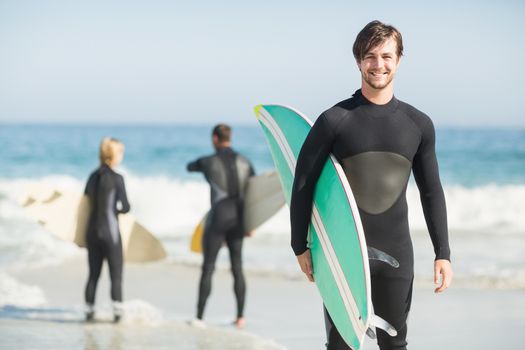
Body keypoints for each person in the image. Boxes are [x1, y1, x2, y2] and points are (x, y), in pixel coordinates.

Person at [290, 20, 453, 349]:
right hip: (344, 251)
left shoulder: (417, 125)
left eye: (386, 56)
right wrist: (300, 245)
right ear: (358, 61)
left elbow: (431, 191)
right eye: (370, 56)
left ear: (399, 59)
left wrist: (443, 253)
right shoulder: (334, 120)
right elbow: (303, 184)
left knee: (395, 345)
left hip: (396, 254)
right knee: (341, 346)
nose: (378, 64)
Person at [187, 123, 255, 329]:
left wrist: (201, 166)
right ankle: (240, 317)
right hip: (239, 220)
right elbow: (254, 192)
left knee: (208, 267)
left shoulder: (208, 162)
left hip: (218, 219)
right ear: (230, 138)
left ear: (215, 139)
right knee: (237, 267)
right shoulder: (245, 162)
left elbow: (189, 167)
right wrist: (250, 223)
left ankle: (199, 318)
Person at [84, 137, 130, 323]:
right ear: (114, 155)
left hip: (92, 232)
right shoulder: (117, 178)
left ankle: (89, 313)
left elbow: (85, 202)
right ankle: (117, 317)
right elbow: (126, 207)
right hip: (110, 234)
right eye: (120, 153)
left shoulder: (92, 177)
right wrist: (117, 211)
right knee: (116, 277)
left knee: (93, 276)